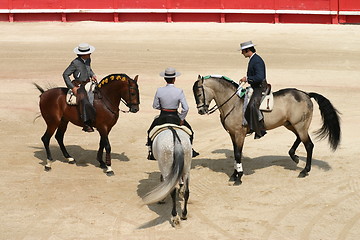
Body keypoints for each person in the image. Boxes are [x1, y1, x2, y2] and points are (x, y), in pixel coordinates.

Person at [146, 67, 199, 160]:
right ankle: (191, 149)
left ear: (164, 78)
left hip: (162, 116)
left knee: (150, 132)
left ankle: (150, 151)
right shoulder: (179, 91)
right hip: (175, 117)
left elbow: (155, 106)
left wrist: (162, 108)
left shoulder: (159, 90)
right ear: (174, 79)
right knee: (191, 132)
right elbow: (185, 108)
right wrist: (182, 118)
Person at [63, 43, 97, 132]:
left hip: (88, 82)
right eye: (88, 53)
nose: (90, 54)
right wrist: (72, 87)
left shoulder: (88, 59)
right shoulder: (75, 63)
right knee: (84, 100)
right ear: (82, 54)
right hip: (79, 85)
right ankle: (86, 123)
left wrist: (92, 75)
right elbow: (65, 74)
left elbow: (89, 69)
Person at [239, 41, 268, 139]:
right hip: (255, 86)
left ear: (248, 50)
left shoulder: (257, 60)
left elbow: (260, 77)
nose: (242, 53)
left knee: (252, 105)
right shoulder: (254, 59)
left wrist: (247, 79)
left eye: (243, 51)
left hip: (259, 87)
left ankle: (260, 129)